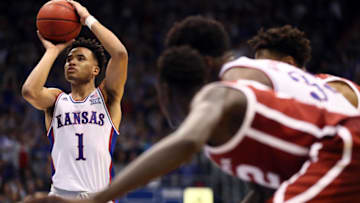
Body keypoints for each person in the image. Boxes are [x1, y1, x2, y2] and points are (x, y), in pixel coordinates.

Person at [24, 46, 360, 203]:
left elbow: (185, 143)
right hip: (329, 152)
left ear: (165, 91)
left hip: (344, 147)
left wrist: (100, 199)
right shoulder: (57, 101)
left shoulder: (220, 97)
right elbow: (261, 191)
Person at [21, 0, 128, 199]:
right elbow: (30, 92)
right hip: (61, 196)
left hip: (99, 196)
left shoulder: (106, 97)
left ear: (95, 70)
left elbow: (120, 54)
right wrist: (52, 52)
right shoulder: (56, 100)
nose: (71, 62)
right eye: (69, 59)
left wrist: (87, 19)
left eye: (80, 58)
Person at [244, 24, 360, 110]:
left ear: (288, 64)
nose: (261, 75)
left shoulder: (336, 91)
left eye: (267, 68)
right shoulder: (288, 100)